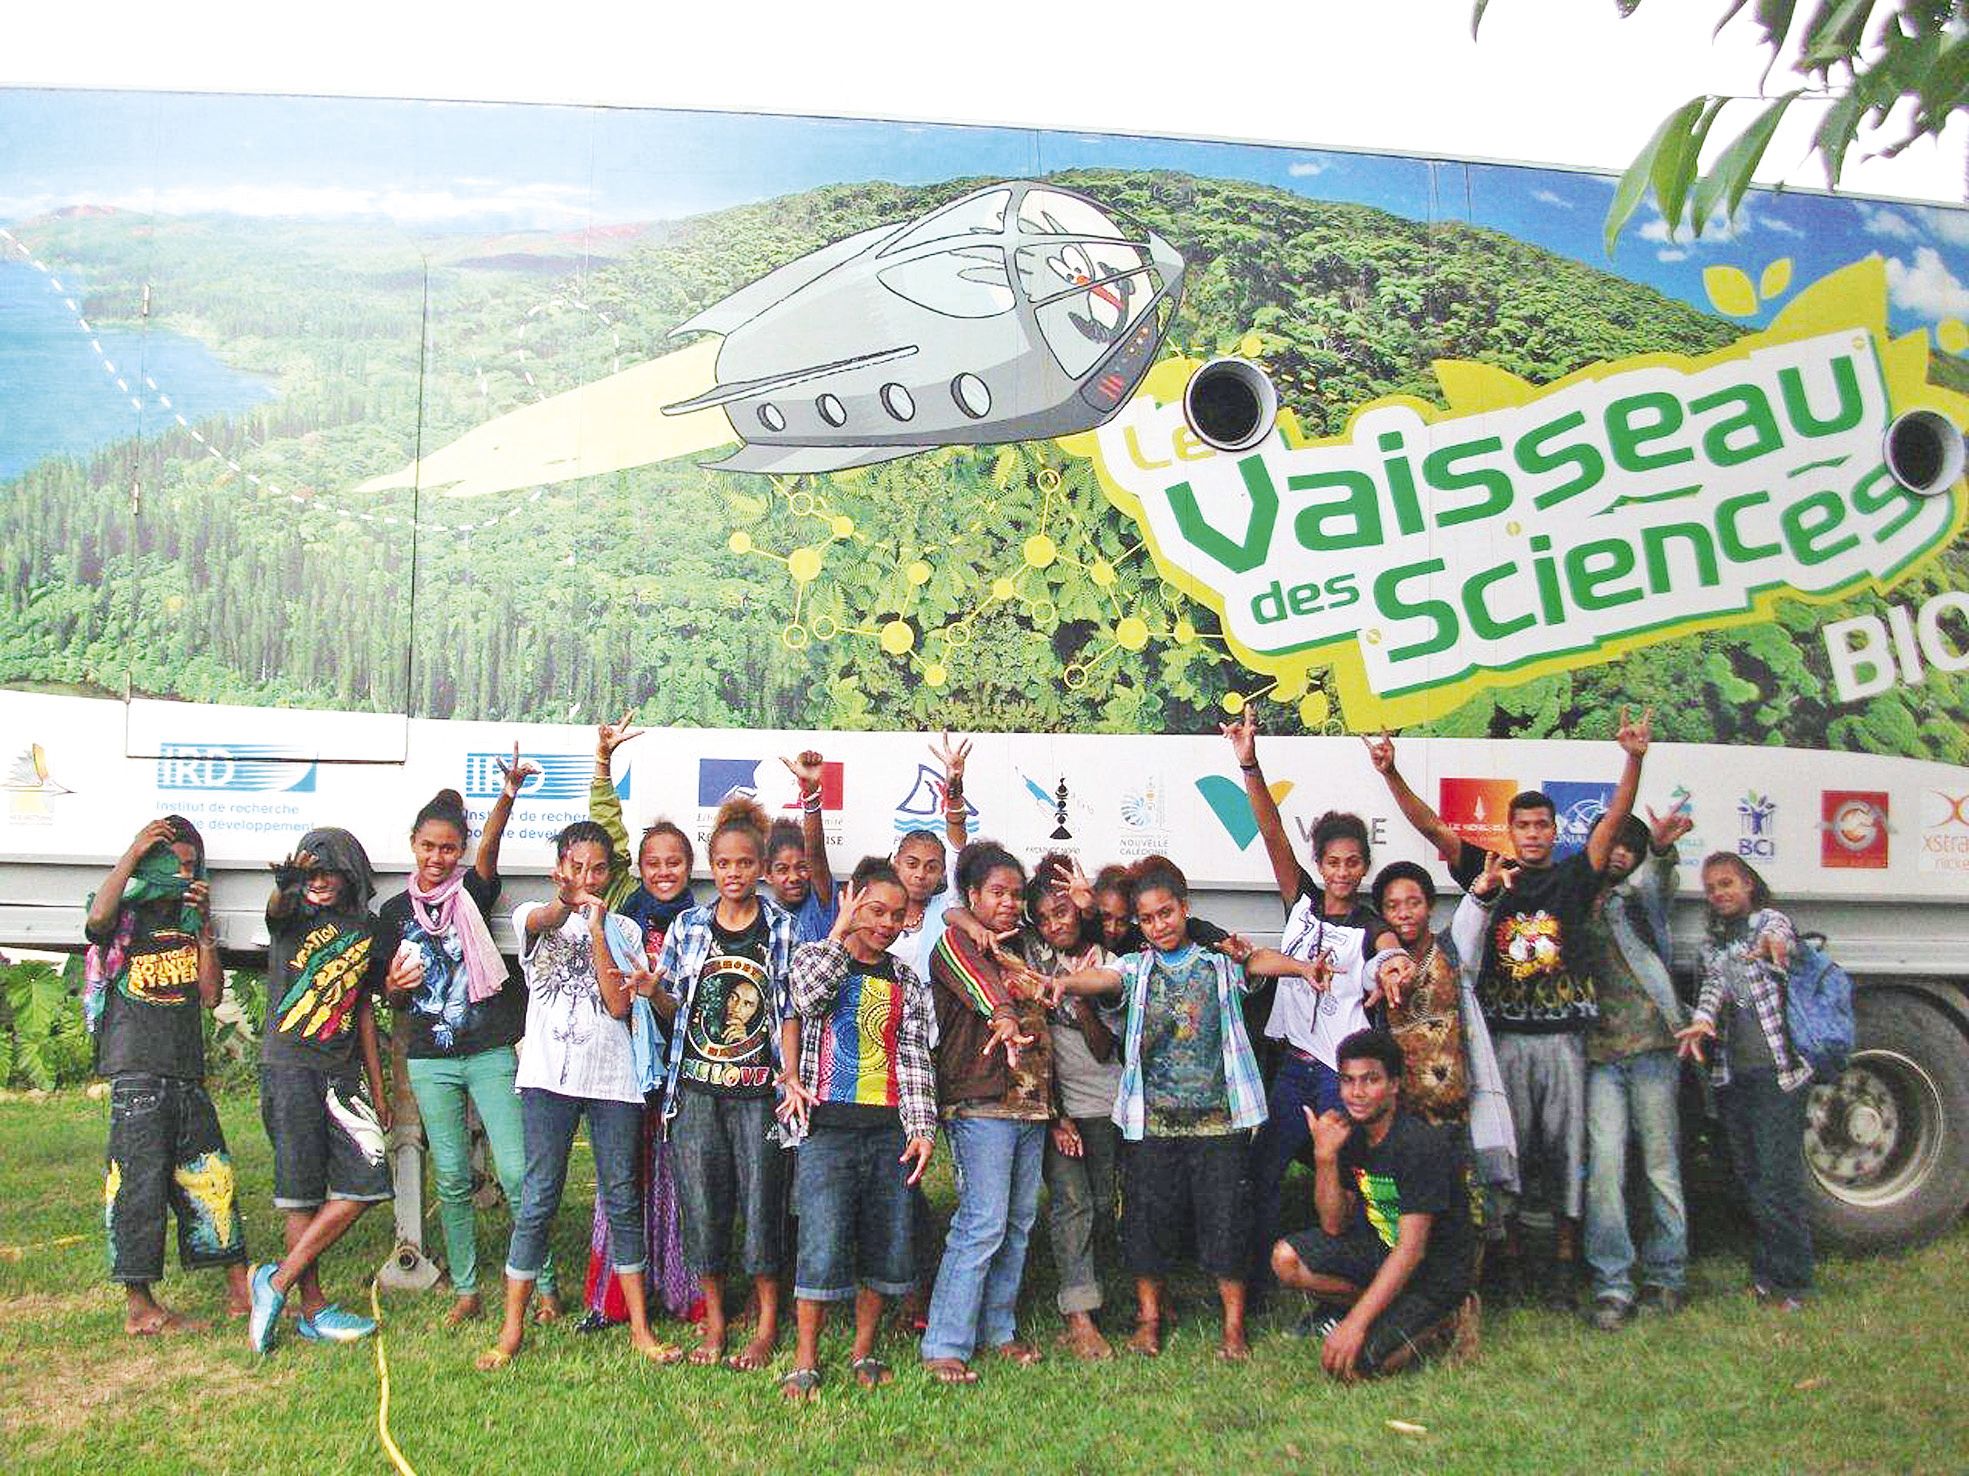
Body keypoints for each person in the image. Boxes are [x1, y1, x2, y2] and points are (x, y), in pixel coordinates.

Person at [1366, 709, 1651, 1306]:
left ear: (1555, 831)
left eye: (1543, 825)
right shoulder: (1491, 871)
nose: (1533, 835)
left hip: (1564, 1040)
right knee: (1507, 1158)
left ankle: (1565, 1267)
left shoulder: (1575, 876)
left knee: (1567, 1155)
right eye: (1523, 826)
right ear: (1510, 831)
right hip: (1503, 1042)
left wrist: (1633, 759)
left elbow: (1613, 823)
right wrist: (1390, 773)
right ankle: (1511, 1264)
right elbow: (1431, 827)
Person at [1053, 856, 1326, 1362]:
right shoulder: (1136, 967)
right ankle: (1149, 1321)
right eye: (1147, 919)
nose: (1159, 925)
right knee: (1147, 1222)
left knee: (1227, 1222)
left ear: (1184, 908)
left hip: (1219, 1123)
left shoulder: (1217, 961)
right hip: (1152, 1123)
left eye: (1166, 913)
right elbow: (1104, 979)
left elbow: (1258, 962)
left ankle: (1233, 1329)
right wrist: (1066, 984)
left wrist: (1304, 969)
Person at [477, 821, 680, 1369]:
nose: (586, 878)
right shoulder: (532, 917)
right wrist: (566, 906)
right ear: (559, 870)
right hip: (548, 1080)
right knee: (539, 1197)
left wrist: (597, 930)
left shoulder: (625, 930)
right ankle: (512, 1329)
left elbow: (618, 1006)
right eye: (576, 867)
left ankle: (640, 1328)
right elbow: (543, 919)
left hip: (612, 1082)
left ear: (611, 876)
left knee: (622, 1197)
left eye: (597, 869)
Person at [1222, 709, 1397, 1307]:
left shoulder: (1370, 925)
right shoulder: (1301, 902)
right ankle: (1255, 1284)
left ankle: (1343, 1290)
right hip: (1290, 1068)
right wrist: (1250, 765)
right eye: (1333, 862)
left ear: (1364, 867)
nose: (1342, 872)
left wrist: (1394, 965)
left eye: (1353, 862)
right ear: (1319, 864)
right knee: (1262, 1171)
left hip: (1336, 1078)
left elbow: (1388, 952)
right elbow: (1271, 830)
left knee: (1343, 1179)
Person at [379, 752, 554, 1328]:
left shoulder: (472, 894)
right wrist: (395, 984)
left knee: (516, 1173)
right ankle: (467, 1288)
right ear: (413, 845)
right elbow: (392, 998)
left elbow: (491, 849)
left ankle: (544, 1283)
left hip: (488, 1052)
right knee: (452, 1177)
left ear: (460, 851)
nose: (437, 858)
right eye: (428, 847)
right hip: (430, 1060)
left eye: (448, 849)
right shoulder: (393, 913)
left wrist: (507, 795)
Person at [778, 862, 938, 1400]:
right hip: (827, 1132)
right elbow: (808, 997)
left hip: (888, 1133)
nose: (886, 924)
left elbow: (914, 1057)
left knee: (884, 1241)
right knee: (820, 1243)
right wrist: (839, 931)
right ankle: (805, 1359)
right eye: (875, 911)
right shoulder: (817, 956)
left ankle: (863, 1349)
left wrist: (921, 1129)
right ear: (852, 902)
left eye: (897, 915)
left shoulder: (905, 980)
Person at [85, 815, 250, 1335]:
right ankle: (140, 1307)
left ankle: (241, 1291)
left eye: (190, 865)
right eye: (172, 863)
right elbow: (95, 920)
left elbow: (211, 995)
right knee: (137, 1187)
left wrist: (204, 930)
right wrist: (134, 853)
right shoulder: (126, 914)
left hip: (184, 1072)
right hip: (137, 1071)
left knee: (213, 1178)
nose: (182, 874)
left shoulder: (189, 920)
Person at [655, 795, 797, 1371]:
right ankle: (714, 1324)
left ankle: (765, 1327)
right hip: (696, 1092)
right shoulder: (687, 926)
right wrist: (653, 992)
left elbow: (790, 1010)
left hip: (760, 1095)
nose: (733, 873)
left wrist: (790, 1076)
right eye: (723, 863)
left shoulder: (781, 927)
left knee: (763, 1209)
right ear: (711, 867)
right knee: (702, 1208)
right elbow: (673, 1008)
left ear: (760, 867)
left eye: (744, 863)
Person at [249, 827, 399, 1353]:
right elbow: (275, 910)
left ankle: (276, 1280)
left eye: (328, 872)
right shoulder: (292, 915)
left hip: (341, 1072)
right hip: (289, 1068)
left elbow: (364, 1009)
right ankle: (312, 1310)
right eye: (310, 873)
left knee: (369, 1178)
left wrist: (379, 1087)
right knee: (302, 1194)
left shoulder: (368, 929)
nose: (319, 882)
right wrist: (286, 886)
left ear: (350, 874)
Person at [575, 713, 701, 1331]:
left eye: (674, 862)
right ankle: (614, 1296)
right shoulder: (625, 903)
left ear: (690, 866)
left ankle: (676, 1289)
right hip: (621, 1067)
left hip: (680, 1073)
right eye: (653, 863)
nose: (663, 872)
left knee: (674, 1182)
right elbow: (605, 837)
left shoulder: (701, 921)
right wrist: (603, 765)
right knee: (620, 1179)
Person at [1271, 1029, 1478, 1380]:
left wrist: (1355, 1324)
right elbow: (1333, 1225)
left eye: (1370, 1080)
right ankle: (1383, 1309)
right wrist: (1325, 1158)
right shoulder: (1351, 1134)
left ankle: (1447, 1317)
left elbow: (1411, 1250)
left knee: (1354, 1368)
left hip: (1431, 1275)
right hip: (1380, 1252)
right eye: (1348, 1080)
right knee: (1285, 1259)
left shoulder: (1418, 1145)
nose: (1357, 1092)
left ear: (1394, 1085)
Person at [919, 841, 1052, 1384]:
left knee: (1017, 1224)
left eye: (1016, 894)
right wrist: (1003, 1015)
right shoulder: (955, 942)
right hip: (980, 1104)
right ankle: (945, 1343)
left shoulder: (1024, 946)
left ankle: (999, 1330)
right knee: (982, 1223)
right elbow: (984, 989)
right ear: (972, 895)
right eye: (997, 892)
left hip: (1030, 1104)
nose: (1008, 903)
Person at [1675, 854, 1815, 1312]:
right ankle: (1765, 1276)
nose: (1720, 893)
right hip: (1733, 1079)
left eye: (1727, 883)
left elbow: (1784, 939)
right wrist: (1702, 1021)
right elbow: (1712, 990)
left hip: (1779, 1076)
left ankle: (1794, 1283)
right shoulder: (1713, 944)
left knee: (1779, 1183)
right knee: (1752, 1181)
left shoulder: (1767, 922)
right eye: (1712, 887)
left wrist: (1776, 947)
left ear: (1748, 884)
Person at [1582, 809, 1693, 1331]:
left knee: (1660, 1166)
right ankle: (1613, 1283)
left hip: (1653, 1049)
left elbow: (1659, 880)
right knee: (1604, 1170)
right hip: (1599, 1056)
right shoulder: (1577, 896)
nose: (1620, 853)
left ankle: (1667, 1275)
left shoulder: (1638, 898)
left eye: (1631, 845)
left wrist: (1661, 851)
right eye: (1614, 842)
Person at [1022, 856, 1122, 1360]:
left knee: (1101, 1202)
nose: (1054, 925)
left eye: (1061, 912)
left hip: (1101, 1100)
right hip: (1054, 1105)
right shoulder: (1032, 954)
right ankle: (1079, 1315)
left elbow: (1104, 1049)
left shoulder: (1108, 959)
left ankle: (1099, 1291)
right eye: (1043, 919)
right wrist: (1056, 1115)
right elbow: (961, 913)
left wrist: (1080, 1000)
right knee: (1072, 1200)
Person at [766, 748, 841, 945]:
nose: (794, 878)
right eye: (782, 869)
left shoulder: (821, 904)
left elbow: (815, 853)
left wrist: (810, 794)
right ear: (767, 874)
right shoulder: (762, 920)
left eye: (802, 867)